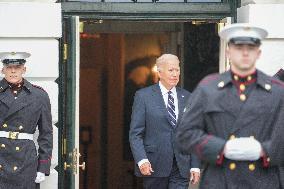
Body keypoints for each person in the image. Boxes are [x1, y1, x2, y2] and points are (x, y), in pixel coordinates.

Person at [176, 23, 284, 189]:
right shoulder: (208, 89)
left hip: (263, 180)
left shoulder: (277, 91)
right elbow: (185, 135)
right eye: (239, 47)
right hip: (221, 181)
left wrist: (264, 150)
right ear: (228, 52)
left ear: (259, 53)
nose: (245, 53)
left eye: (251, 47)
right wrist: (221, 148)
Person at [129, 54, 200, 189]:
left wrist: (195, 165)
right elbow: (135, 134)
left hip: (181, 165)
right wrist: (142, 159)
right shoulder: (143, 96)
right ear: (160, 72)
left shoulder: (188, 97)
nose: (175, 74)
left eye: (177, 70)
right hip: (154, 164)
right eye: (171, 70)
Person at [0, 52, 53, 189]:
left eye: (17, 67)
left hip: (25, 160)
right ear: (2, 69)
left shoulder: (39, 95)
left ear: (24, 69)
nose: (13, 71)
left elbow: (46, 134)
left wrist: (43, 166)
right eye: (8, 67)